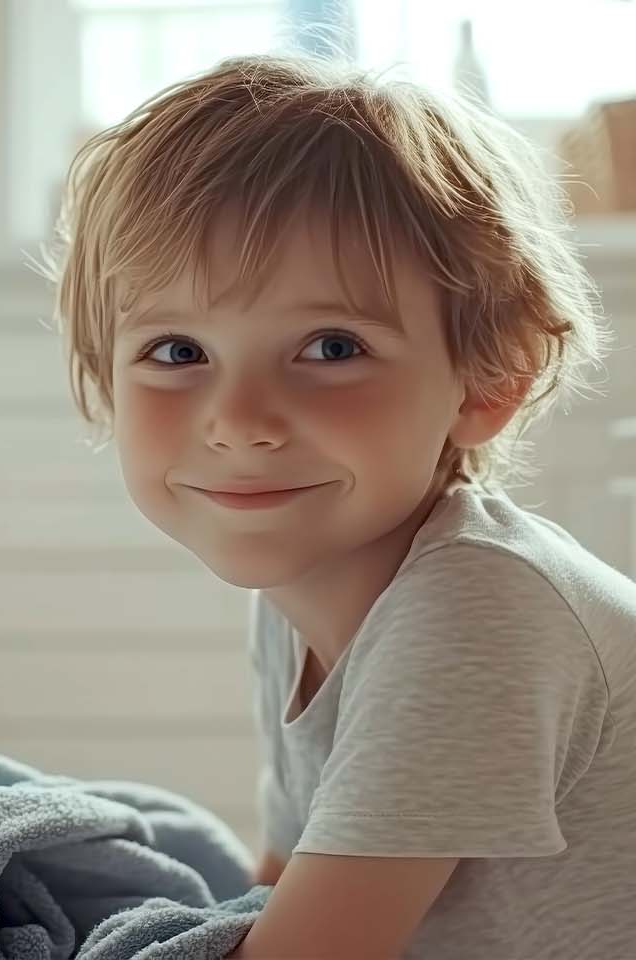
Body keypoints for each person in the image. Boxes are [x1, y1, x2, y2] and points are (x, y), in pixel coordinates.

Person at [46, 53, 636, 958]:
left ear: (490, 379)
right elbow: (277, 889)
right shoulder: (301, 588)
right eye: (176, 352)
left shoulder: (478, 612)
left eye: (329, 347)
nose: (239, 422)